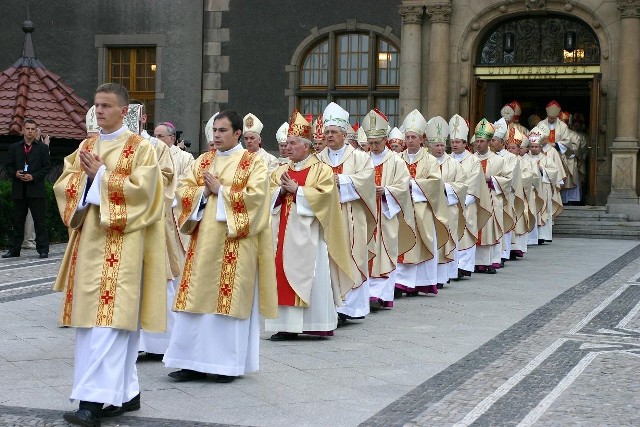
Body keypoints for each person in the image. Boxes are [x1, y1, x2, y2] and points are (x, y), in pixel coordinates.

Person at [52, 83, 165, 426]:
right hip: (89, 246)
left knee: (110, 324)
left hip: (123, 247)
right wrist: (86, 181)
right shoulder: (87, 144)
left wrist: (101, 175)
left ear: (123, 111)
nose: (99, 111)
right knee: (92, 324)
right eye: (97, 105)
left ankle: (92, 403)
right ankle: (126, 393)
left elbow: (147, 195)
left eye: (106, 106)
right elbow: (65, 183)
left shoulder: (141, 149)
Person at [163, 110, 277, 383]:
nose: (216, 135)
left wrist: (221, 191)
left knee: (227, 303)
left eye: (223, 130)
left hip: (235, 246)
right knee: (195, 301)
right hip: (203, 244)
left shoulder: (253, 164)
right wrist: (203, 191)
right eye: (214, 130)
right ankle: (189, 361)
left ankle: (225, 364)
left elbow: (258, 200)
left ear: (238, 133)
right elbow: (183, 190)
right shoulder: (204, 160)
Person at [266, 111, 354, 340]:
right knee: (280, 274)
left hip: (310, 237)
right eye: (286, 144)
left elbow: (327, 198)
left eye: (293, 143)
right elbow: (265, 195)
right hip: (282, 233)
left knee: (312, 278)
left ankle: (315, 323)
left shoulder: (321, 170)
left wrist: (299, 192)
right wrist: (279, 191)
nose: (288, 148)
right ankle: (284, 326)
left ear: (306, 146)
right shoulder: (280, 170)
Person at [317, 102, 376, 325]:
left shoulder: (360, 157)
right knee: (327, 259)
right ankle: (331, 304)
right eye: (327, 132)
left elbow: (367, 181)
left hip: (351, 215)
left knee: (353, 257)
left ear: (344, 134)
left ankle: (350, 308)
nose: (329, 136)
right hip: (326, 216)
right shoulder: (318, 158)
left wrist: (340, 180)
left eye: (333, 132)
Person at [361, 109, 415, 308]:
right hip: (365, 214)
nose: (373, 147)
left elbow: (403, 186)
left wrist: (385, 191)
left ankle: (381, 295)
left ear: (385, 139)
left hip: (385, 212)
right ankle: (366, 292)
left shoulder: (396, 161)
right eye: (370, 143)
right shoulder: (361, 159)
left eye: (377, 142)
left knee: (384, 251)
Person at [395, 110, 450, 295]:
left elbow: (436, 183)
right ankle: (400, 282)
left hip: (420, 209)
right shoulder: (396, 159)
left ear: (421, 139)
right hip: (400, 208)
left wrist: (413, 185)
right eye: (408, 137)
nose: (410, 140)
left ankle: (420, 282)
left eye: (414, 137)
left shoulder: (430, 160)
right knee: (400, 241)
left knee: (421, 242)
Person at [425, 116, 468, 287]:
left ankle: (442, 277)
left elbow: (463, 186)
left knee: (445, 240)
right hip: (428, 209)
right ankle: (428, 276)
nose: (441, 148)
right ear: (430, 146)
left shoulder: (454, 164)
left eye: (443, 145)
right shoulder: (425, 162)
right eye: (437, 145)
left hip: (448, 208)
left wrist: (445, 189)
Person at [449, 114, 491, 279]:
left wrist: (462, 201)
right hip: (450, 204)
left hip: (467, 203)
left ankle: (464, 266)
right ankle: (452, 265)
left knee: (466, 232)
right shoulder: (447, 160)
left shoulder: (473, 161)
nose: (454, 145)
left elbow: (475, 184)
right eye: (452, 142)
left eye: (457, 142)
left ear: (465, 144)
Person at [3, 119, 51, 259]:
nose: (30, 131)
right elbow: (8, 166)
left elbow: (47, 167)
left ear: (36, 131)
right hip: (19, 189)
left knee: (39, 221)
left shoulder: (42, 148)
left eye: (33, 129)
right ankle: (14, 250)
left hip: (36, 190)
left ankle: (43, 250)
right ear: (22, 130)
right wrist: (15, 174)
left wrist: (34, 176)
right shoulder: (14, 147)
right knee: (18, 221)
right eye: (28, 128)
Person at [473, 119, 511, 274]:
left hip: (491, 199)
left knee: (489, 230)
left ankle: (489, 261)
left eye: (482, 141)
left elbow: (508, 180)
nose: (479, 144)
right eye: (477, 141)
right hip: (474, 201)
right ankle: (473, 262)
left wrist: (492, 179)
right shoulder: (470, 159)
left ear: (489, 142)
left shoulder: (498, 160)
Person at [491, 118, 524, 267]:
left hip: (505, 195)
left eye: (493, 140)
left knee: (504, 222)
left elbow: (510, 179)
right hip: (490, 195)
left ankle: (503, 254)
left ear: (502, 143)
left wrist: (492, 181)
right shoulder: (489, 156)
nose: (491, 143)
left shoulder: (511, 158)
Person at [527, 126, 562, 245]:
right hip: (531, 190)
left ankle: (542, 235)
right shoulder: (525, 159)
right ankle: (532, 236)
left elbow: (554, 172)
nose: (534, 149)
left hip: (543, 189)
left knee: (543, 210)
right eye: (532, 146)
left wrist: (542, 170)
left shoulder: (546, 159)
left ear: (540, 147)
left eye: (536, 146)